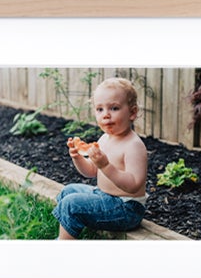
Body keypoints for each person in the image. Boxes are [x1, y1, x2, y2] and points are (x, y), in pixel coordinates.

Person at [54, 78, 149, 240]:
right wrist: (77, 157)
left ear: (132, 113)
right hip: (104, 196)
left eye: (114, 108)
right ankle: (71, 228)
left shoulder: (134, 145)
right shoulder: (104, 138)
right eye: (99, 109)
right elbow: (91, 171)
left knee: (71, 204)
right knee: (67, 191)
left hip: (126, 208)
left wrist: (105, 166)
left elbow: (133, 185)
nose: (106, 115)